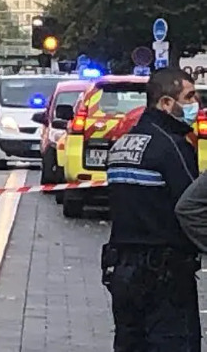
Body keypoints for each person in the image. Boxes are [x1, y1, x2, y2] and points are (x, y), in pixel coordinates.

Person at [103, 67, 200, 350]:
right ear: (166, 103)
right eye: (189, 96)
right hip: (165, 275)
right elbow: (190, 205)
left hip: (122, 270)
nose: (196, 104)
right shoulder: (172, 146)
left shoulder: (122, 145)